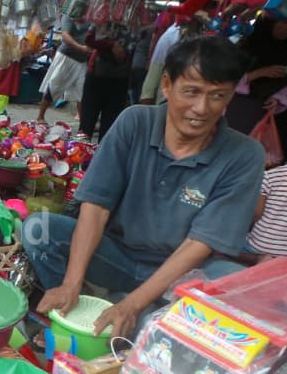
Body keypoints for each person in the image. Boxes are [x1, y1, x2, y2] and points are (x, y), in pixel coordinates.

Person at [22, 36, 266, 339]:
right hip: (115, 255)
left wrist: (135, 304)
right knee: (37, 228)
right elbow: (96, 207)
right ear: (166, 85)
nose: (202, 108)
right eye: (191, 92)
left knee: (233, 281)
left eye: (218, 96)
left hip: (180, 273)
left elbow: (199, 244)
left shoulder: (244, 154)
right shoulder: (135, 122)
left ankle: (139, 315)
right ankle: (87, 302)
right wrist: (71, 282)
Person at [240, 110, 287, 265]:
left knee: (228, 247)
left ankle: (263, 260)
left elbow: (256, 213)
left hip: (261, 247)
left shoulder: (272, 176)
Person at [225, 13, 287, 161]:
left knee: (251, 159)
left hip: (264, 111)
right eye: (284, 22)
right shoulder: (245, 46)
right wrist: (259, 73)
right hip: (237, 109)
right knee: (229, 154)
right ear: (270, 24)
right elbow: (226, 79)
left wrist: (277, 99)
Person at [78, 23, 135, 141]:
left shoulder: (140, 18)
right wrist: (111, 44)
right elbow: (89, 39)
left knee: (110, 125)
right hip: (97, 74)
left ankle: (102, 155)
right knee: (87, 122)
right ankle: (79, 154)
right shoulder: (104, 15)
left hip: (121, 77)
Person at [36, 14, 91, 125]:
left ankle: (83, 123)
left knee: (82, 91)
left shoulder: (93, 16)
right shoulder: (69, 14)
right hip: (66, 56)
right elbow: (65, 36)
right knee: (54, 86)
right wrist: (81, 48)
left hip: (82, 60)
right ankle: (40, 117)